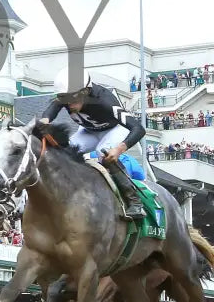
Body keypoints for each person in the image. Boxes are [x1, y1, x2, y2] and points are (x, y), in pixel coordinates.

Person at [40, 67, 147, 220]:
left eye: (73, 98)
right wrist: (45, 120)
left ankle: (134, 200)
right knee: (63, 151)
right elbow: (53, 108)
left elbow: (139, 129)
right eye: (65, 99)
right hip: (89, 131)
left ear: (86, 92)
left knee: (102, 151)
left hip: (114, 129)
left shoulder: (104, 101)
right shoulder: (69, 96)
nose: (69, 104)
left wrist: (119, 149)